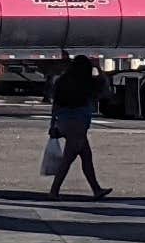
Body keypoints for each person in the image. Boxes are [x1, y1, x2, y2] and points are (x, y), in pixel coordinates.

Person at [42, 53, 108, 198]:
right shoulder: (86, 82)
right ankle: (54, 191)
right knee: (68, 158)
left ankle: (96, 189)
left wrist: (53, 124)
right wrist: (98, 67)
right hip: (78, 123)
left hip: (64, 121)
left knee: (86, 156)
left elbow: (56, 104)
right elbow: (104, 88)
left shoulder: (63, 81)